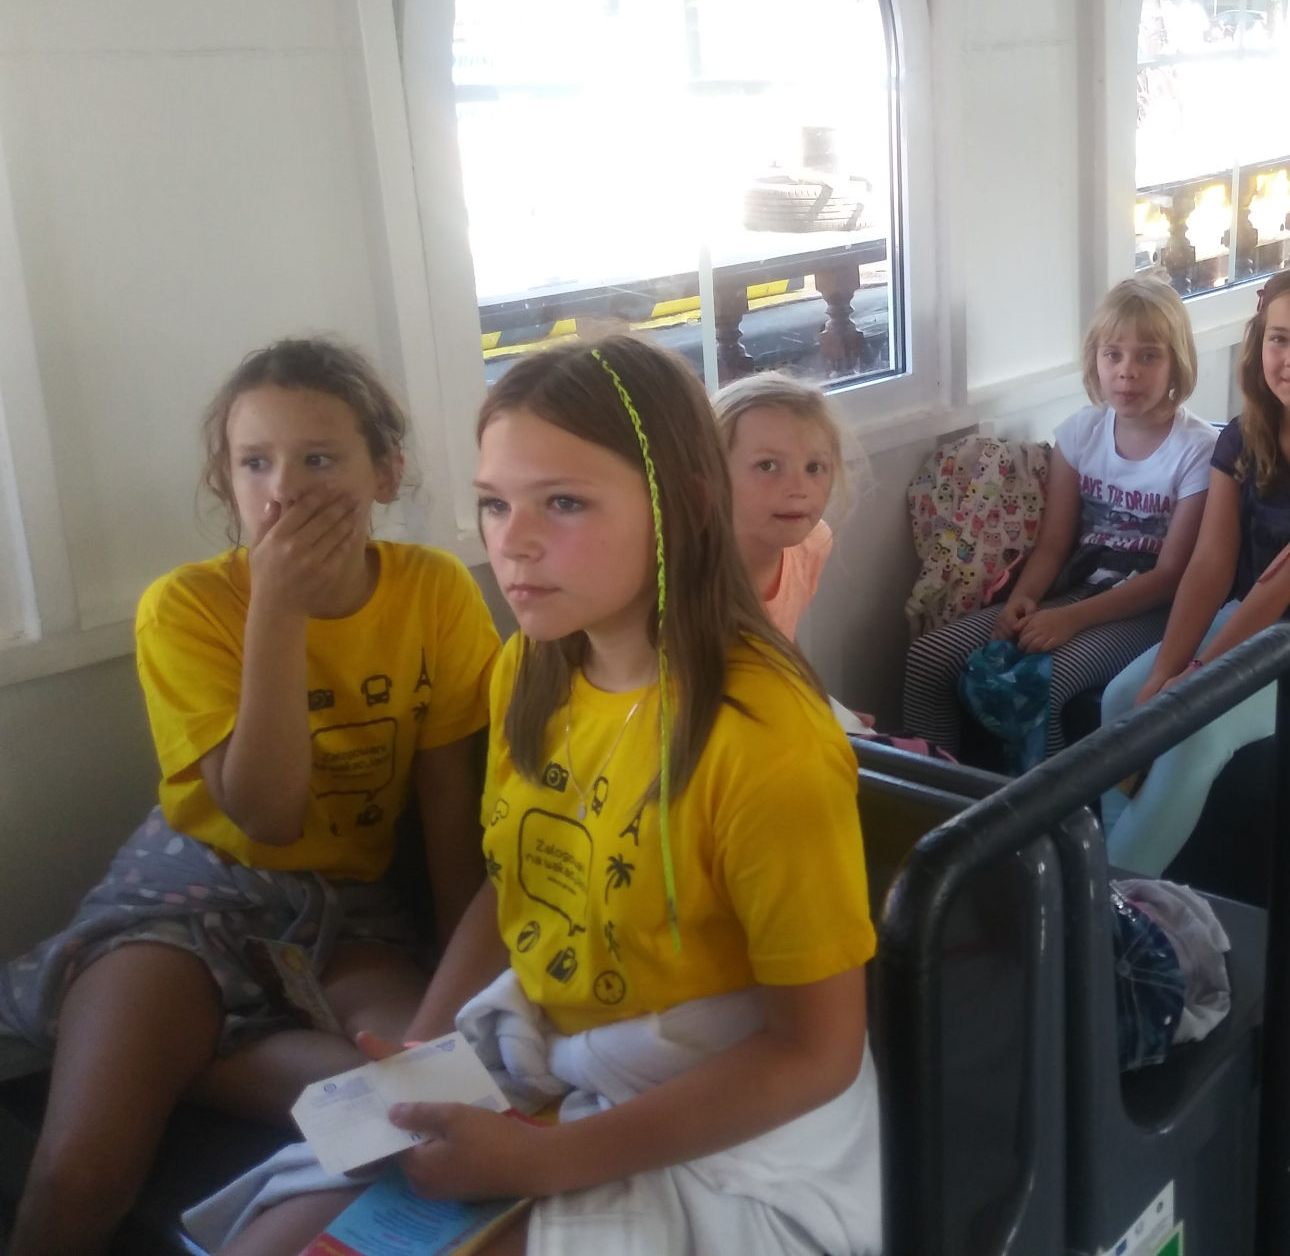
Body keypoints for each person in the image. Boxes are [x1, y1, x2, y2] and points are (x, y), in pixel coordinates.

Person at [215, 336, 879, 1256]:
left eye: (563, 502)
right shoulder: (530, 669)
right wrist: (423, 1053)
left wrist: (539, 1163)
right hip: (555, 1060)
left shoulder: (765, 740)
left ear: (683, 506)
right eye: (495, 503)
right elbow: (516, 884)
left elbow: (815, 1054)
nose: (512, 542)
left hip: (726, 1122)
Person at [1, 338, 498, 1256]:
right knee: (79, 1174)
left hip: (348, 914)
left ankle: (189, 1059)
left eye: (320, 459)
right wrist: (277, 606)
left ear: (385, 473)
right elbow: (264, 814)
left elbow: (446, 809)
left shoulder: (434, 592)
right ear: (225, 482)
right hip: (190, 896)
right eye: (255, 463)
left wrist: (452, 989)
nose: (285, 491)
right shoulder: (185, 607)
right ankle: (163, 1043)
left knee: (436, 1102)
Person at [1094, 264, 1290, 876]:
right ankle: (1111, 872)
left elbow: (1283, 580)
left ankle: (1115, 899)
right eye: (1279, 338)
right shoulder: (1243, 437)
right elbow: (1211, 564)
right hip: (1250, 620)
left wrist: (1196, 680)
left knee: (1195, 725)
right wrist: (1164, 672)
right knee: (1122, 698)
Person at [902, 274, 1216, 760]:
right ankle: (937, 792)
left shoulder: (1199, 449)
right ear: (1094, 360)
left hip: (1151, 611)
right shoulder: (1079, 434)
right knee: (929, 658)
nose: (1127, 372)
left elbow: (1172, 576)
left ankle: (1049, 807)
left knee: (1043, 681)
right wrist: (1022, 600)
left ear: (1177, 362)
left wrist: (1071, 619)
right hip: (1079, 586)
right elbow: (1053, 545)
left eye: (1148, 356)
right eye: (1113, 355)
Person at [713, 371, 853, 640]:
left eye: (814, 467)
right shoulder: (685, 574)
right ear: (713, 472)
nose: (799, 489)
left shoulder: (813, 545)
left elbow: (782, 638)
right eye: (767, 466)